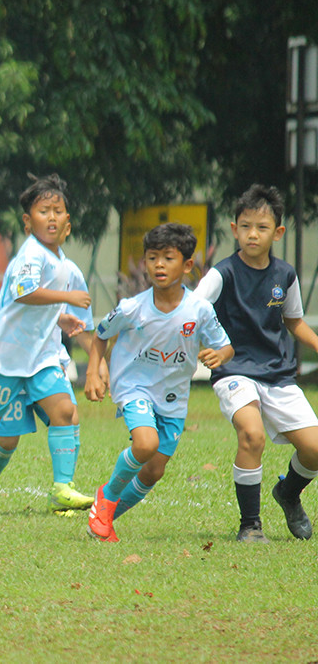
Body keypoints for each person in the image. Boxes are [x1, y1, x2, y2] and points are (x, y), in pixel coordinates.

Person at [0, 174, 92, 513]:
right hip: (6, 358)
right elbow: (24, 294)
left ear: (68, 220)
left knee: (65, 411)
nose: (51, 217)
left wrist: (62, 317)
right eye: (43, 211)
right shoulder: (30, 255)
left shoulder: (63, 263)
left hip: (40, 358)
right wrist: (67, 299)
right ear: (27, 221)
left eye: (57, 210)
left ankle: (61, 490)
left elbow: (39, 306)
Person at [85, 222, 232, 542]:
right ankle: (106, 497)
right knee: (145, 444)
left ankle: (104, 518)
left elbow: (225, 345)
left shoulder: (200, 310)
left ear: (188, 264)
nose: (159, 265)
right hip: (133, 387)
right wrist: (93, 372)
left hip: (174, 398)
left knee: (154, 470)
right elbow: (100, 334)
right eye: (152, 258)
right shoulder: (133, 308)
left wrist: (221, 356)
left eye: (168, 258)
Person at [194, 184, 318, 542]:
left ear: (277, 232)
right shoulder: (223, 274)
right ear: (234, 229)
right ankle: (250, 525)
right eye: (245, 226)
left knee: (313, 450)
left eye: (261, 227)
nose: (252, 234)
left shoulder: (285, 275)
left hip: (277, 375)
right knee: (252, 434)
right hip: (234, 372)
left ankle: (289, 494)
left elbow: (293, 322)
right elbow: (194, 312)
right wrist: (211, 346)